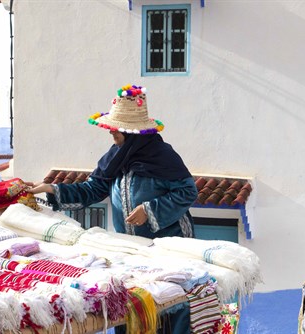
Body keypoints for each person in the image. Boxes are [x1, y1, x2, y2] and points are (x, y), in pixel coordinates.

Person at [26, 84, 196, 333]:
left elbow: (187, 191)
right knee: (131, 310)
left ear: (132, 132)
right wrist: (51, 189)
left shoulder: (163, 157)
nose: (112, 135)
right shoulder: (117, 157)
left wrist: (149, 210)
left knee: (169, 311)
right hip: (130, 251)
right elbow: (92, 189)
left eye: (116, 131)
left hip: (168, 249)